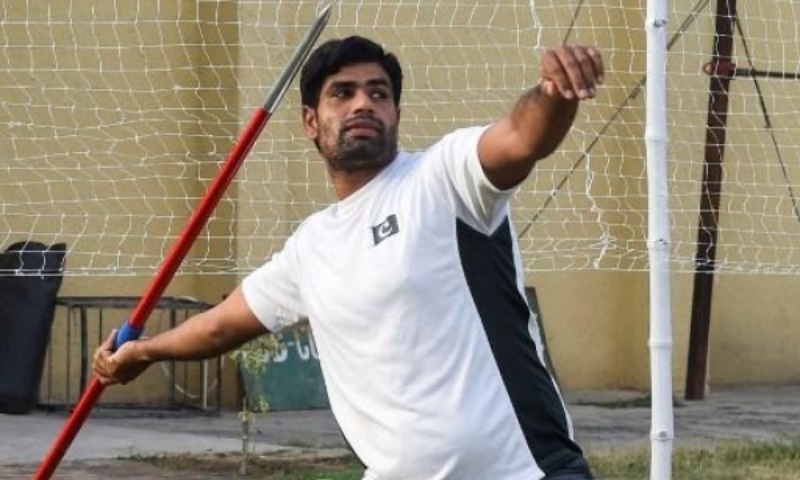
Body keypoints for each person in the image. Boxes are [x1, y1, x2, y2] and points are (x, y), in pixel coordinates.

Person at [93, 35, 604, 480]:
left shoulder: (444, 179)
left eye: (378, 93)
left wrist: (552, 93)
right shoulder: (311, 246)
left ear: (396, 114)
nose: (363, 103)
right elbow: (221, 326)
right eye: (343, 93)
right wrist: (144, 352)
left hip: (522, 472)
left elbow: (521, 137)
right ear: (311, 122)